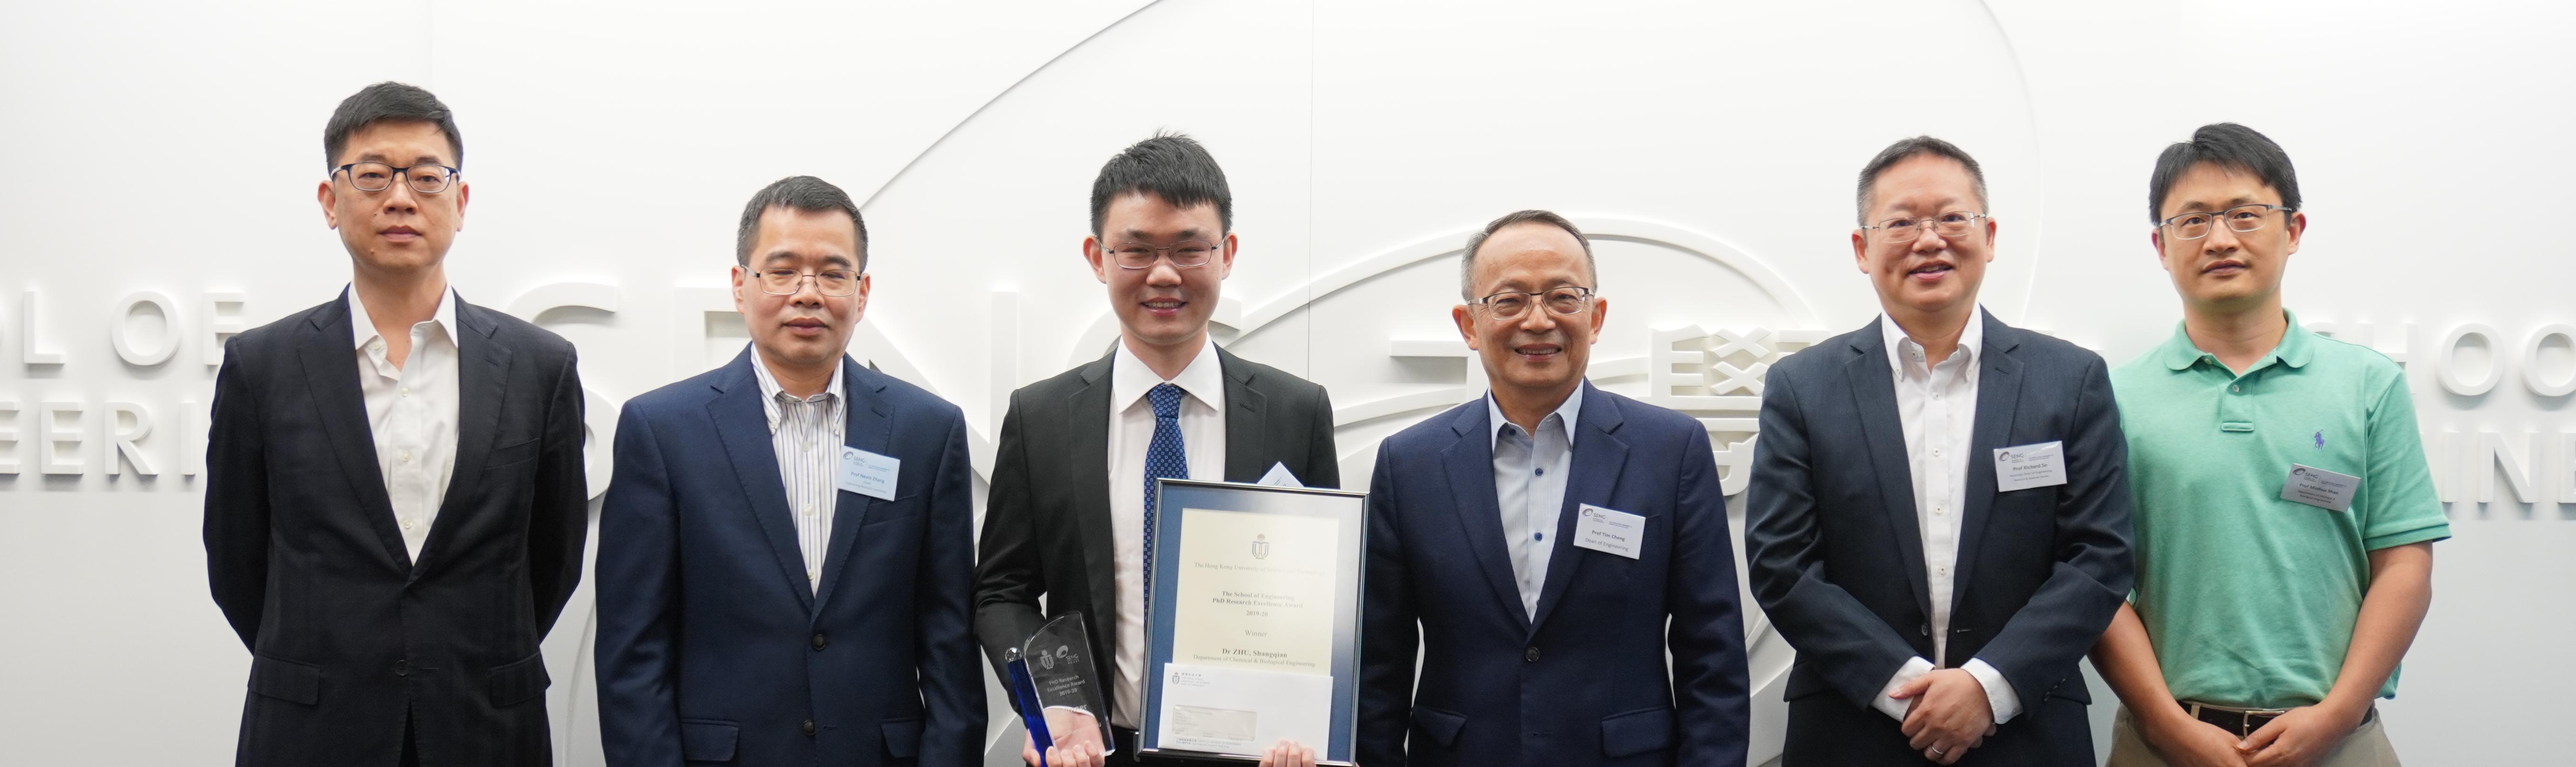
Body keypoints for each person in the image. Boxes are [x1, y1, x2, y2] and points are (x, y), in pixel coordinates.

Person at [203, 82, 588, 767]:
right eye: (373, 176)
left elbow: (552, 561)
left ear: (460, 202)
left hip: (486, 728)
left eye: (427, 177)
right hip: (312, 731)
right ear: (330, 201)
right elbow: (237, 564)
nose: (401, 198)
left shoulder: (540, 367)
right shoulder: (261, 367)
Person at [1744, 136, 2135, 766]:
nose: (1930, 240)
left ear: (1990, 236)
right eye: (1901, 223)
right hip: (1852, 729)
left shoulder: (2070, 379)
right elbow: (1781, 564)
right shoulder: (1803, 388)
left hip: (2026, 731)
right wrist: (1907, 690)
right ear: (1862, 249)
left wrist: (1988, 686)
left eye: (1953, 218)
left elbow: (2101, 557)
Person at [973, 133, 1337, 767]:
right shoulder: (1041, 417)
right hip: (1092, 752)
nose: (1164, 275)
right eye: (1137, 251)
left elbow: (1321, 595)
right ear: (1097, 257)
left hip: (1250, 754)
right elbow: (1002, 591)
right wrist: (1049, 702)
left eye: (1190, 249)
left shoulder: (1295, 413)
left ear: (1226, 254)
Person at [2089, 123, 2446, 767]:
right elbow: (2096, 584)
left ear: (2294, 230)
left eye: (2245, 215)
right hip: (2163, 745)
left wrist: (2335, 716)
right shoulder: (2111, 399)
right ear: (2160, 246)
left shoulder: (2369, 385)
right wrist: (2167, 724)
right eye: (2193, 221)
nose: (2221, 238)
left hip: (2341, 742)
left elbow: (2404, 565)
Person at [594, 176, 983, 766]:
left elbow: (950, 642)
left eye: (832, 273)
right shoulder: (662, 430)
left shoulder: (926, 431)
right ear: (740, 286)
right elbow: (633, 650)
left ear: (863, 291)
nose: (808, 293)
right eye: (782, 270)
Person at [1356, 210, 1751, 767]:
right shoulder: (1409, 464)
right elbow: (1379, 667)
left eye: (1563, 297)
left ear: (1596, 316)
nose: (1538, 321)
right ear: (1469, 323)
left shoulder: (1671, 450)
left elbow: (1712, 656)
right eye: (1510, 299)